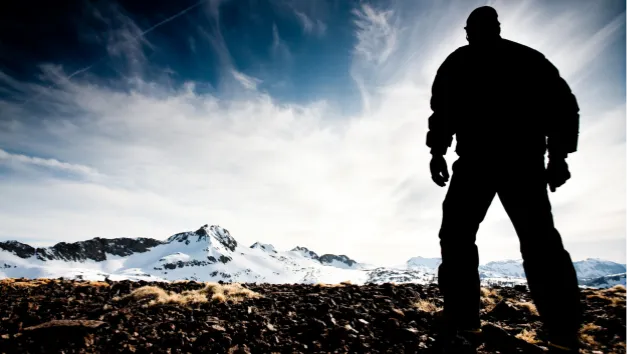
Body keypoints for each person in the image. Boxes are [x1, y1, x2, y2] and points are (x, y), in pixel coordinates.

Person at [426, 6, 582, 353]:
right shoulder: (526, 59)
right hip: (508, 162)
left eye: (474, 28)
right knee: (531, 240)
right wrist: (437, 152)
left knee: (473, 237)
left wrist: (559, 156)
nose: (472, 33)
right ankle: (561, 328)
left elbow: (562, 107)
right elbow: (443, 114)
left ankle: (466, 318)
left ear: (484, 28)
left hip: (501, 162)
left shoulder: (464, 62)